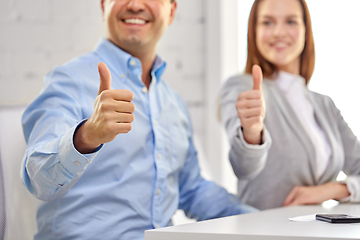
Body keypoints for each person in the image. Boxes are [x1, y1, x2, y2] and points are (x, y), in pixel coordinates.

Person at [21, 0, 256, 239]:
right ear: (104, 5)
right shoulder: (68, 81)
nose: (135, 5)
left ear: (172, 11)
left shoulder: (172, 102)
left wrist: (263, 219)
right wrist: (86, 136)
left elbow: (192, 189)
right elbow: (38, 179)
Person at [220, 0, 360, 211]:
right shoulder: (244, 87)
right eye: (267, 22)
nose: (278, 32)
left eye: (290, 21)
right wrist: (252, 132)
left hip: (317, 231)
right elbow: (244, 168)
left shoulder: (325, 105)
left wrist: (333, 189)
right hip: (263, 231)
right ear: (254, 31)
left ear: (305, 30)